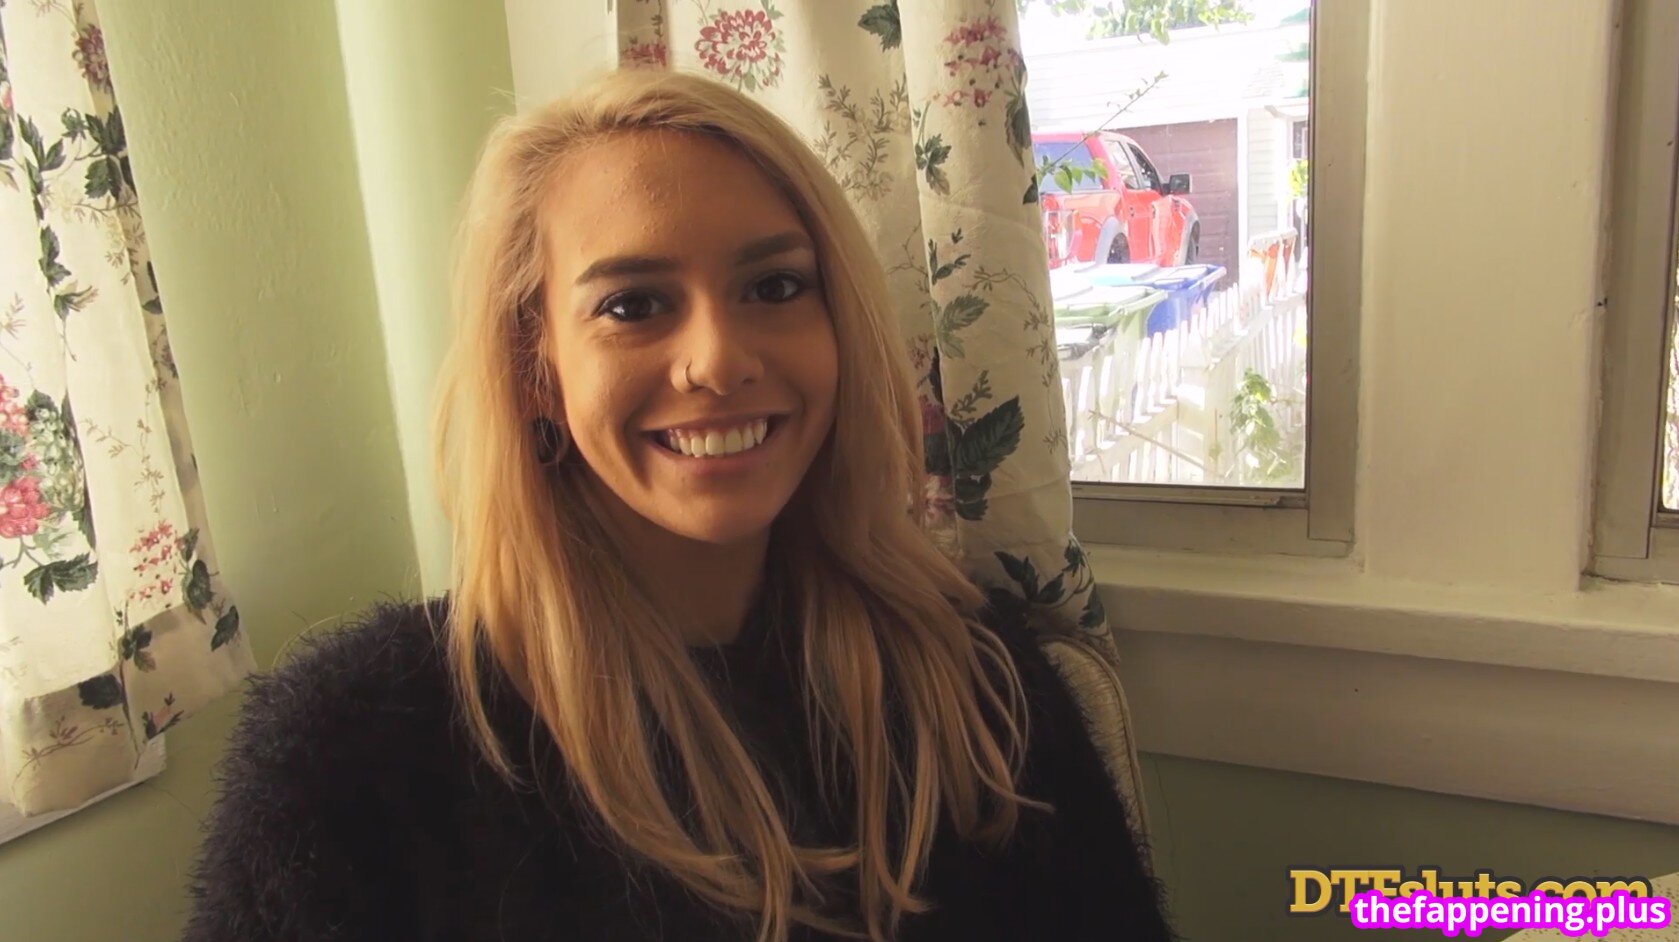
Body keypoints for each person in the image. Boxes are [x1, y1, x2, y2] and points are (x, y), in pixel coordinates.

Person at [181, 68, 1176, 942]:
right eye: (633, 305)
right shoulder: (353, 750)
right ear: (534, 366)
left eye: (773, 287)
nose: (718, 360)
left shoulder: (978, 681)